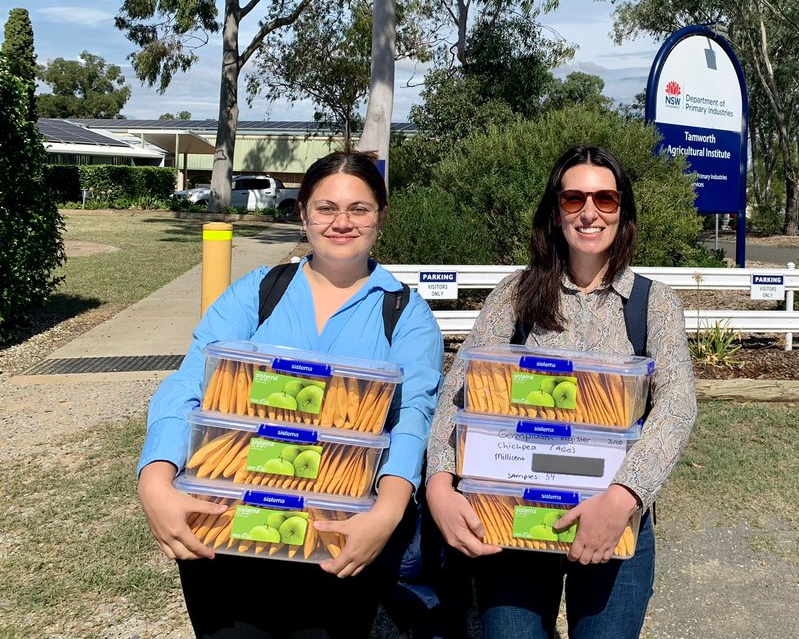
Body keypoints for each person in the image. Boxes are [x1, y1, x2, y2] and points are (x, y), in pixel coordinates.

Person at [137, 151, 444, 639]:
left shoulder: (404, 312)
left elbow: (413, 415)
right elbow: (190, 381)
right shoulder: (257, 293)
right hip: (230, 527)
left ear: (381, 216)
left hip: (340, 533)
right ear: (303, 212)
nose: (341, 222)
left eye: (359, 209)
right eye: (325, 208)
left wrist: (385, 513)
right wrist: (155, 480)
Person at [424, 145, 697, 639]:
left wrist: (622, 497)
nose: (589, 212)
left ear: (623, 212)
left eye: (605, 199)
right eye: (574, 199)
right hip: (511, 517)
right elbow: (459, 392)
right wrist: (439, 482)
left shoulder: (654, 304)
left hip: (614, 523)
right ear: (556, 211)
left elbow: (678, 405)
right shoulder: (515, 293)